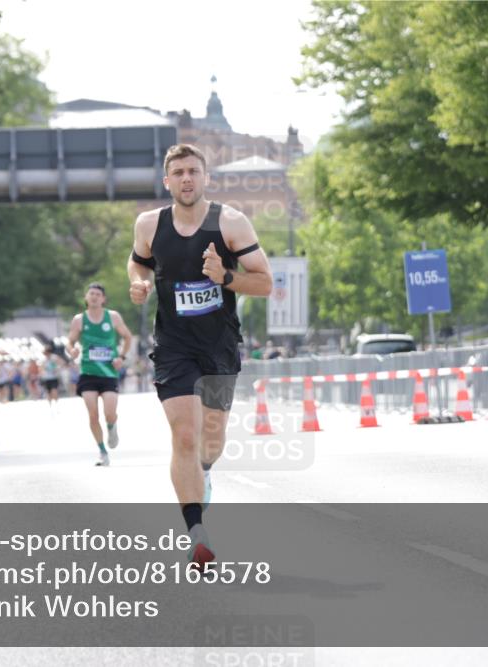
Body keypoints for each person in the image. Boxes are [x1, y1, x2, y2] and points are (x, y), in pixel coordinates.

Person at [128, 143, 272, 567]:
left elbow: (264, 282)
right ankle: (197, 533)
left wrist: (225, 276)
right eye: (179, 172)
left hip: (219, 345)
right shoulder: (149, 224)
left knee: (210, 440)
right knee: (184, 435)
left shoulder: (230, 222)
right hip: (173, 345)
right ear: (167, 181)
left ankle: (204, 472)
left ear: (205, 177)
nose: (187, 178)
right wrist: (139, 283)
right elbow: (138, 264)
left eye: (193, 171)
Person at [67, 283, 133, 466]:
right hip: (88, 372)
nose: (94, 297)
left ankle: (112, 428)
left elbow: (127, 336)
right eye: (91, 294)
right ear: (86, 297)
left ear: (103, 299)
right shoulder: (79, 320)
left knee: (110, 413)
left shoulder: (112, 317)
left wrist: (121, 356)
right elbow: (70, 341)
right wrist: (72, 350)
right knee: (93, 415)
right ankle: (102, 451)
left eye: (98, 294)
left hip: (109, 373)